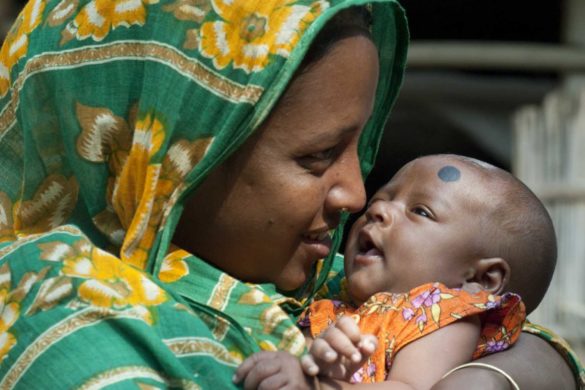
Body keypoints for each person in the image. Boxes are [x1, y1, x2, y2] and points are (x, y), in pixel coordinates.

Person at [0, 1, 581, 390]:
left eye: (360, 149)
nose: (357, 194)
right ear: (167, 159)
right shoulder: (50, 303)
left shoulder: (325, 286)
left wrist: (491, 376)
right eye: (316, 157)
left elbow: (523, 335)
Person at [293, 154, 554, 388]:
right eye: (379, 199)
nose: (377, 210)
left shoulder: (441, 317)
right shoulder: (326, 307)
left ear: (481, 278)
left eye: (420, 211)